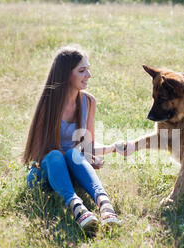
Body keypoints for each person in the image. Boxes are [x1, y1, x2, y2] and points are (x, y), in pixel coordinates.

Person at [22, 46, 120, 235]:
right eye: (82, 71)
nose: (89, 75)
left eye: (88, 69)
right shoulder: (48, 104)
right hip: (47, 171)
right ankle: (77, 207)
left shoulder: (89, 102)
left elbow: (88, 147)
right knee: (56, 155)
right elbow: (39, 153)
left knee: (74, 153)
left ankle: (105, 205)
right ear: (66, 75)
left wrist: (112, 148)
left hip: (72, 169)